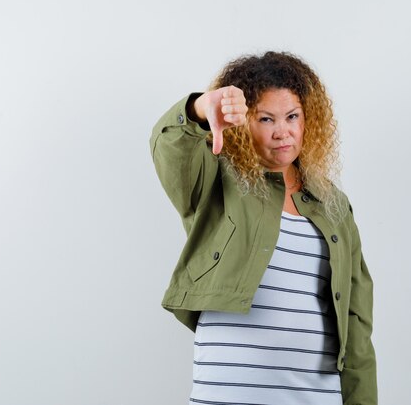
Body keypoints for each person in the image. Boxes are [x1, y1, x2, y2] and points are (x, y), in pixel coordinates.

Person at [150, 51, 377, 405]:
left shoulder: (333, 206)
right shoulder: (216, 179)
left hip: (317, 397)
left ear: (308, 120)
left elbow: (356, 320)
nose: (281, 132)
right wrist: (198, 109)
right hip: (228, 395)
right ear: (244, 123)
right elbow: (170, 148)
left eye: (292, 117)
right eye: (266, 118)